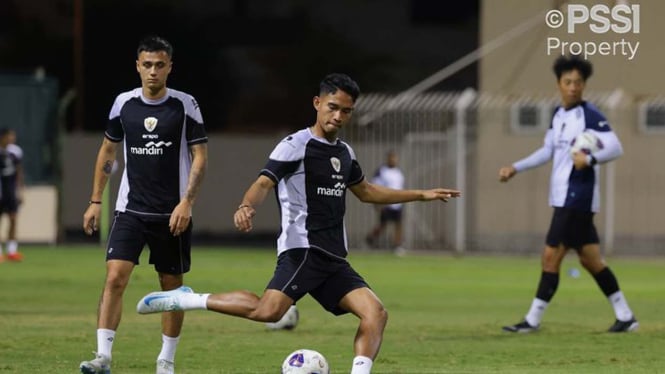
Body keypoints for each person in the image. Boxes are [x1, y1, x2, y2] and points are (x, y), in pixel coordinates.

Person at [136, 73, 461, 374]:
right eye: (333, 107)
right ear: (317, 103)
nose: (338, 116)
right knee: (269, 312)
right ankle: (190, 298)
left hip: (334, 257)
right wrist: (247, 206)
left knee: (376, 313)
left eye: (346, 111)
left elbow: (368, 192)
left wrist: (421, 194)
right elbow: (264, 182)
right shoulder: (295, 145)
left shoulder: (345, 153)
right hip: (303, 250)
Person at [80, 35, 208, 374]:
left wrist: (187, 202)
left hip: (172, 214)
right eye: (147, 65)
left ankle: (166, 360)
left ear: (170, 67)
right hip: (130, 210)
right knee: (115, 278)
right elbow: (107, 152)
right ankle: (103, 357)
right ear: (137, 66)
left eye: (160, 65)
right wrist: (95, 200)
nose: (153, 71)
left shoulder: (184, 105)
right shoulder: (124, 103)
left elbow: (200, 156)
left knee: (172, 288)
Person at [498, 55, 638, 333]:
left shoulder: (589, 114)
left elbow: (616, 146)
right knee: (590, 259)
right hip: (565, 197)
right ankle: (626, 316)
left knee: (551, 256)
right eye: (568, 82)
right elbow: (548, 151)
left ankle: (532, 320)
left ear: (584, 85)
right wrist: (516, 167)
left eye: (578, 82)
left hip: (578, 196)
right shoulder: (559, 115)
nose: (573, 87)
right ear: (559, 84)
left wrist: (591, 160)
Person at [365, 150, 405, 251]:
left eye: (395, 158)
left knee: (398, 224)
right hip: (386, 203)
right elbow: (375, 186)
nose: (393, 160)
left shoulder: (398, 172)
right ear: (388, 159)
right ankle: (370, 239)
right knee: (383, 225)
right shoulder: (381, 171)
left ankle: (397, 245)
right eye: (391, 158)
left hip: (398, 204)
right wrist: (377, 203)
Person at [0, 128, 24, 262]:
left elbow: (19, 171)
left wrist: (20, 190)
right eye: (9, 136)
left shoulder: (15, 151)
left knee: (13, 218)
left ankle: (12, 250)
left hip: (10, 190)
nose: (12, 139)